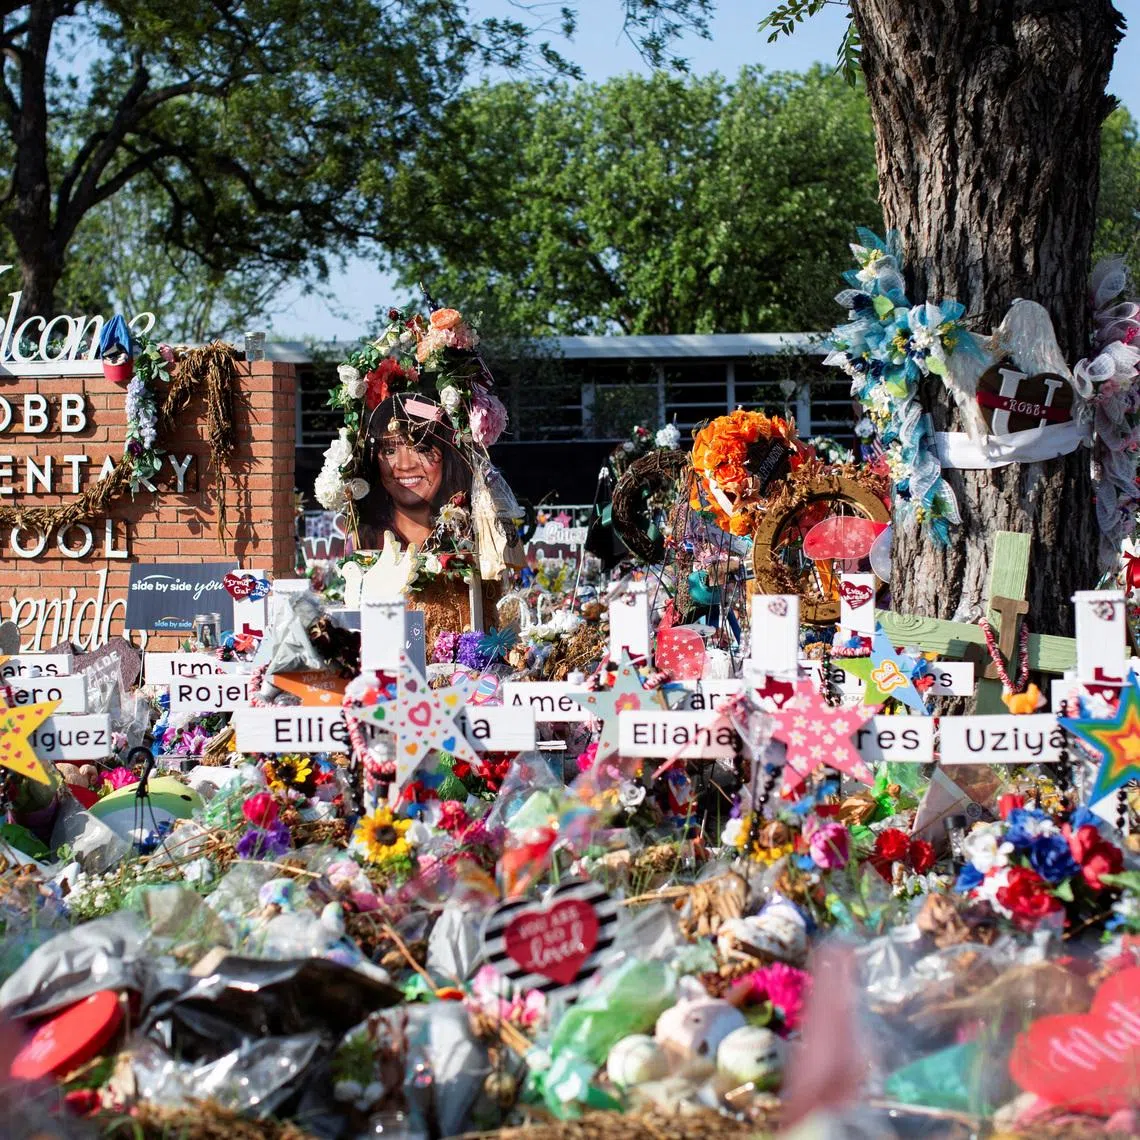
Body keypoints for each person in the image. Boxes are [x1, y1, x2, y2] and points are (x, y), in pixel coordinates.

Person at [356, 392, 470, 550]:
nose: (406, 465)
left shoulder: (478, 535)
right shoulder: (360, 540)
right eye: (390, 451)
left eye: (421, 449)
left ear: (447, 456)